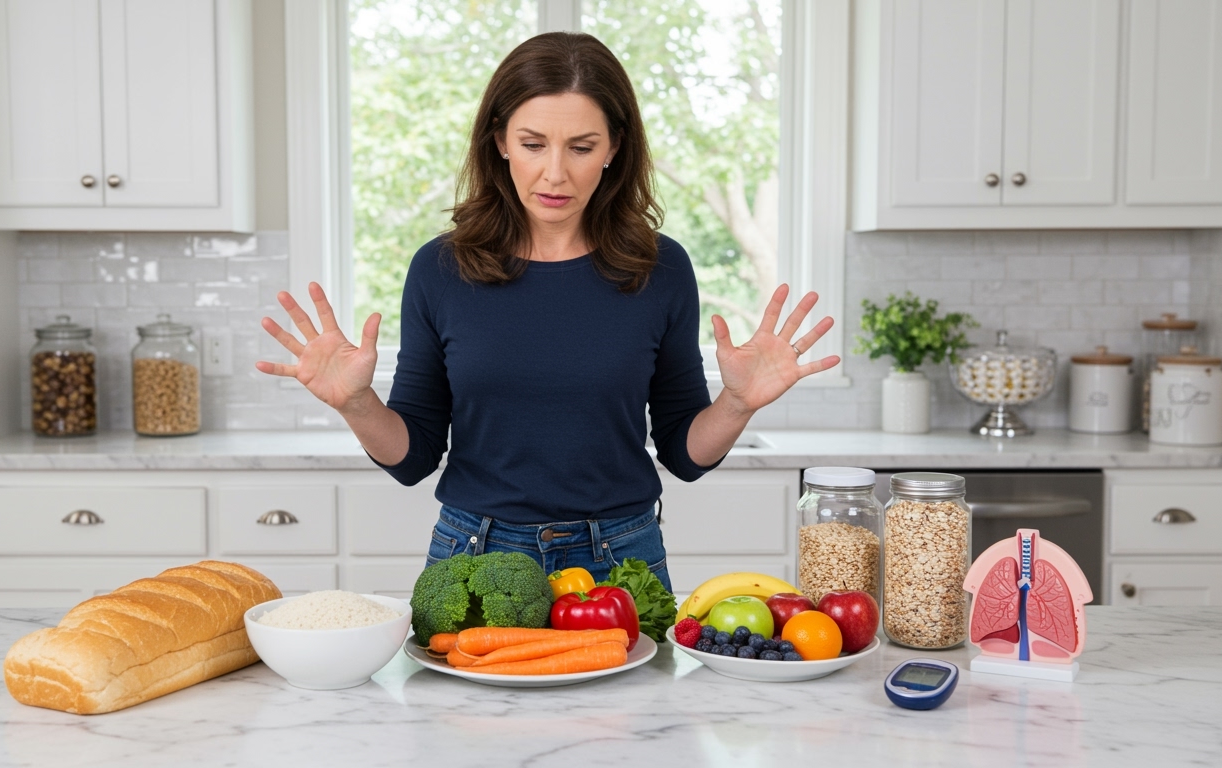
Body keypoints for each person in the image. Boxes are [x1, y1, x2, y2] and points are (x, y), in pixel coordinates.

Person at [257, 32, 839, 591]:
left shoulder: (660, 269)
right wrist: (358, 404)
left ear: (614, 146)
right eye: (533, 144)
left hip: (622, 556)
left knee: (636, 701)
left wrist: (736, 404)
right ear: (500, 140)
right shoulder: (440, 269)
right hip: (475, 552)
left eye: (581, 147)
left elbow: (684, 455)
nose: (555, 173)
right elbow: (414, 460)